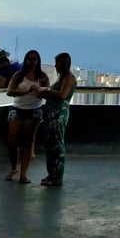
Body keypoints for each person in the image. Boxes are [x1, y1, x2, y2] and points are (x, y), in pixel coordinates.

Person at [5, 50, 49, 184]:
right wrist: (26, 91)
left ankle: (23, 174)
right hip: (18, 109)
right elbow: (10, 91)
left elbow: (47, 93)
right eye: (29, 59)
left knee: (27, 142)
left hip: (34, 110)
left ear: (38, 61)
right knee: (12, 141)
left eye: (35, 59)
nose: (32, 61)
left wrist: (40, 91)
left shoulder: (42, 77)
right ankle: (14, 167)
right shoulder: (19, 75)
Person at [38, 52, 77, 187]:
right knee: (50, 145)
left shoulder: (69, 78)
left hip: (58, 115)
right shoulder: (60, 79)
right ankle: (51, 174)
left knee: (57, 144)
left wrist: (46, 90)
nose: (55, 66)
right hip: (51, 114)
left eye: (57, 63)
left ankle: (57, 177)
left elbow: (62, 95)